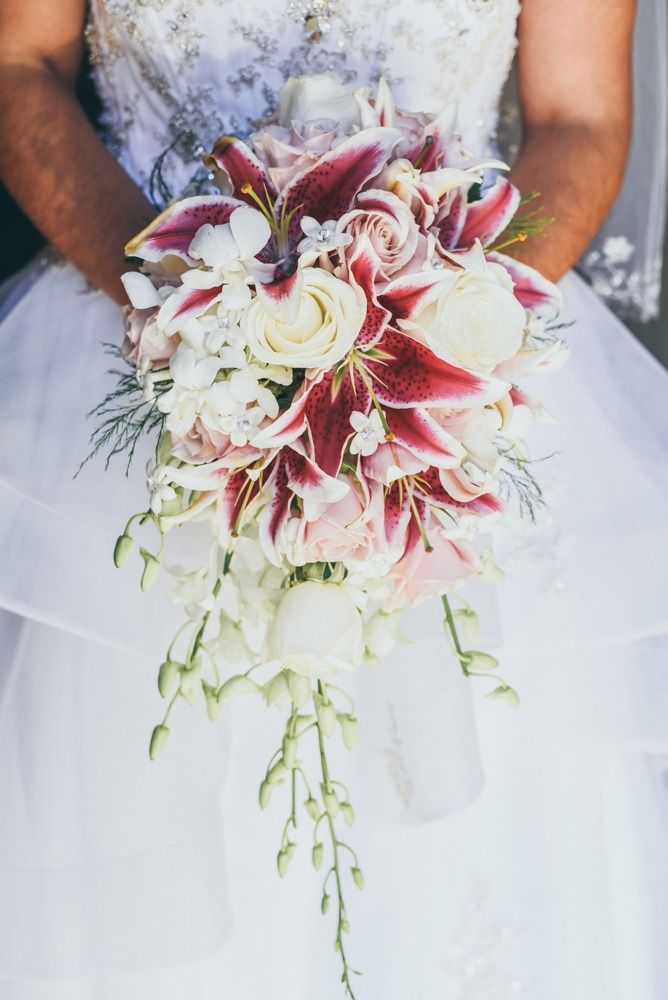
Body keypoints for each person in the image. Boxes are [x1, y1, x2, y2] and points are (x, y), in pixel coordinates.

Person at [0, 1, 667, 998]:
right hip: (135, 330)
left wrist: (425, 334)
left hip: (459, 352)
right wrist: (190, 310)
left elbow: (577, 118)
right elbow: (20, 64)